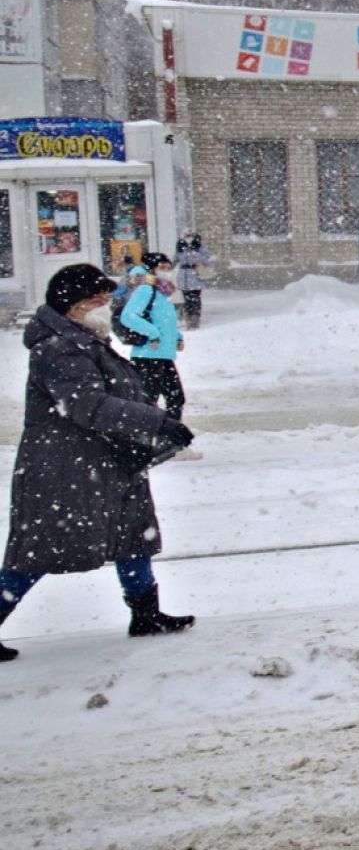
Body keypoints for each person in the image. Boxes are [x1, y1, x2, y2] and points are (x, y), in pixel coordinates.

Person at [0, 264, 196, 662]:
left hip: (106, 458)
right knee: (41, 547)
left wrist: (149, 424)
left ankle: (145, 614)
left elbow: (115, 393)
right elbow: (87, 406)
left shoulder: (86, 339)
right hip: (64, 466)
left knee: (132, 533)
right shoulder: (59, 348)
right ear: (73, 306)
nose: (105, 304)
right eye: (96, 299)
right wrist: (156, 421)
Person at [119, 255, 186, 422]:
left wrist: (177, 337)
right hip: (148, 355)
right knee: (149, 401)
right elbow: (128, 316)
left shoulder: (162, 293)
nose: (167, 272)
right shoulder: (146, 290)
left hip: (162, 354)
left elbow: (165, 321)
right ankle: (146, 437)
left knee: (176, 398)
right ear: (152, 269)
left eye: (168, 268)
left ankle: (169, 436)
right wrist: (153, 333)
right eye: (162, 267)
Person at [174, 232, 214, 328]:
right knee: (187, 299)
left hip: (195, 274)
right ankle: (188, 318)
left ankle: (195, 319)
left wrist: (195, 254)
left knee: (195, 299)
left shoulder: (199, 246)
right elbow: (175, 259)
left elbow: (207, 260)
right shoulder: (180, 245)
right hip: (183, 276)